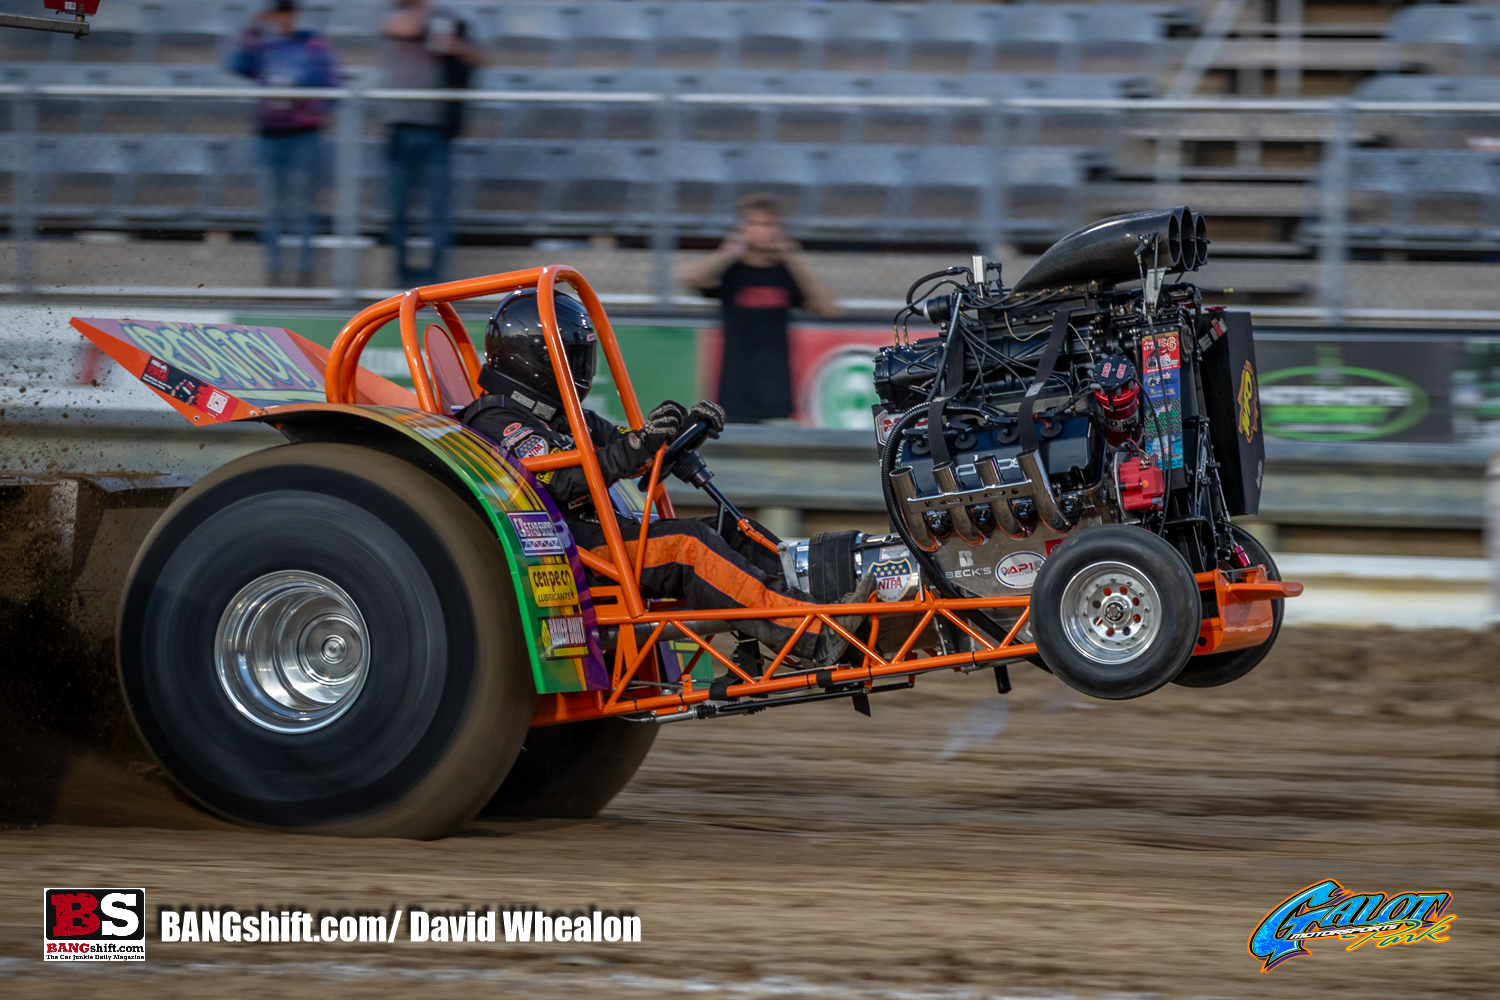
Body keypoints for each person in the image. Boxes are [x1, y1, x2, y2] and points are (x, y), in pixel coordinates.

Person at [460, 289, 872, 667]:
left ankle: (821, 610)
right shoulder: (496, 418)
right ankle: (814, 638)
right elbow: (561, 480)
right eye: (569, 356)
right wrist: (633, 449)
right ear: (535, 357)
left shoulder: (565, 416)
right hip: (560, 548)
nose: (578, 367)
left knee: (733, 531)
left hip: (600, 535)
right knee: (690, 546)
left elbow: (626, 448)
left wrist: (677, 432)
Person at [677, 193, 842, 424]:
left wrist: (793, 259)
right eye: (754, 224)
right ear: (742, 228)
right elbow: (689, 277)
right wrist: (731, 251)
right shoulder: (731, 270)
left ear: (780, 229)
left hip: (777, 391)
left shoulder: (785, 273)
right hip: (734, 390)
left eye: (768, 224)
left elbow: (829, 308)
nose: (762, 231)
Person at [230, 0, 338, 286]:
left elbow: (331, 88)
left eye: (285, 14)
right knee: (271, 211)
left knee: (303, 209)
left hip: (303, 137)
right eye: (275, 15)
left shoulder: (313, 45)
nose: (281, 20)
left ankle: (305, 274)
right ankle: (274, 274)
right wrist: (252, 27)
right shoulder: (265, 46)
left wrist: (302, 98)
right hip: (269, 136)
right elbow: (238, 65)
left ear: (294, 15)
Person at [381, 0, 479, 285]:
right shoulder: (392, 11)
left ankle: (435, 282)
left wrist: (456, 47)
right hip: (399, 125)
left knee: (438, 210)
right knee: (398, 211)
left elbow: (478, 58)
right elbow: (404, 28)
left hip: (436, 128)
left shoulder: (449, 18)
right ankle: (401, 281)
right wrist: (426, 9)